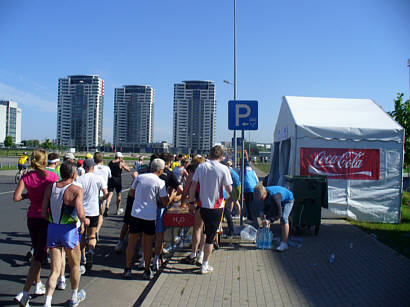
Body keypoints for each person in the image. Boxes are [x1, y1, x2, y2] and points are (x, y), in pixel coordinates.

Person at [13, 150, 59, 307]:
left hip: (32, 217)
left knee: (37, 252)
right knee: (40, 255)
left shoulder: (27, 177)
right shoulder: (52, 177)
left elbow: (16, 197)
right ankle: (24, 293)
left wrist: (29, 196)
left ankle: (37, 284)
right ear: (45, 161)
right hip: (46, 218)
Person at [41, 161, 90, 307]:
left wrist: (53, 222)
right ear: (74, 174)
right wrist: (85, 221)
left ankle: (47, 301)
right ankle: (74, 297)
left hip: (53, 228)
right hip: (68, 231)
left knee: (54, 270)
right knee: (75, 265)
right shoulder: (76, 189)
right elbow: (80, 212)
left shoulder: (50, 187)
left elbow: (44, 212)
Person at [188, 145, 232, 274]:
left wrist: (191, 201)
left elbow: (193, 185)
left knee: (200, 229)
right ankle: (205, 264)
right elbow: (229, 189)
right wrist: (228, 197)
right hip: (216, 206)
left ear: (210, 154)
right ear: (221, 156)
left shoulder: (201, 167)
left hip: (202, 205)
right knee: (210, 236)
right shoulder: (224, 168)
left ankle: (198, 254)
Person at [123, 158, 169, 280]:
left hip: (136, 213)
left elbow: (131, 193)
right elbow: (164, 201)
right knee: (147, 243)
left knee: (132, 241)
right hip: (149, 216)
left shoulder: (139, 178)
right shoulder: (160, 182)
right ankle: (146, 270)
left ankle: (127, 269)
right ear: (160, 170)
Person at [76, 159, 108, 272]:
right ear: (93, 168)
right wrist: (101, 199)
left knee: (82, 235)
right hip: (94, 210)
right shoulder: (98, 178)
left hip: (82, 211)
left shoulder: (79, 179)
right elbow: (106, 193)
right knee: (92, 235)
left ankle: (83, 257)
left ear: (84, 167)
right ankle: (91, 252)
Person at [254, 183, 294, 252]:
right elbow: (266, 208)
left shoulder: (274, 196)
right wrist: (264, 216)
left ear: (264, 194)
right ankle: (267, 237)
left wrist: (269, 220)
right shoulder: (265, 193)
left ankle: (284, 244)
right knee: (265, 217)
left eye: (261, 198)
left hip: (288, 200)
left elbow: (279, 214)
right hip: (279, 199)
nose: (260, 200)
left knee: (284, 218)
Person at [93, 152, 112, 235]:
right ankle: (97, 230)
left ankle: (92, 231)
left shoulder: (92, 168)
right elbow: (109, 176)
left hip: (93, 193)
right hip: (103, 193)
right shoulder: (106, 168)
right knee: (100, 214)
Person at [224, 160, 241, 236]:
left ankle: (238, 214)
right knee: (231, 201)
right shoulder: (230, 169)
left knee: (235, 201)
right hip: (234, 186)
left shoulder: (229, 171)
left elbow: (228, 181)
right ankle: (229, 214)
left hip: (236, 187)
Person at [243, 161, 259, 228]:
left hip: (246, 188)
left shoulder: (243, 171)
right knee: (251, 203)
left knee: (247, 204)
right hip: (253, 188)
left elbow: (240, 179)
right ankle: (253, 217)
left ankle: (250, 218)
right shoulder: (252, 171)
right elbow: (257, 180)